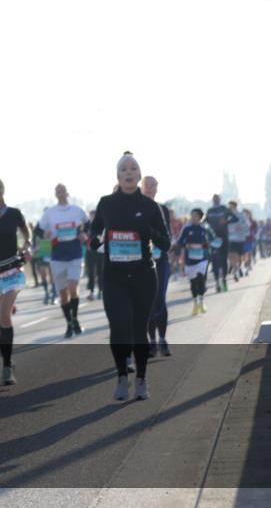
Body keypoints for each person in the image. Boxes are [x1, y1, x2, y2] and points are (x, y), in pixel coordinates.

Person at [89, 152, 171, 401]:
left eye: (133, 168)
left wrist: (149, 231)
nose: (128, 172)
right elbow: (93, 236)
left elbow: (165, 243)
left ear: (139, 175)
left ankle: (142, 379)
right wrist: (98, 243)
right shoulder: (105, 203)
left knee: (139, 329)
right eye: (123, 169)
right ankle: (122, 376)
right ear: (118, 175)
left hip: (144, 274)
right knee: (118, 327)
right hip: (114, 275)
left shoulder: (150, 207)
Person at [0, 177, 30, 385]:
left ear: (3, 190)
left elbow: (27, 235)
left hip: (11, 270)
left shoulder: (14, 214)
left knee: (3, 317)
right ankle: (6, 359)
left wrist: (27, 248)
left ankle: (7, 366)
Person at [37, 184, 88, 338]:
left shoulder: (77, 210)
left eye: (62, 190)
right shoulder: (50, 213)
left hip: (75, 253)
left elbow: (89, 224)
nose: (60, 193)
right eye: (57, 191)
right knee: (62, 293)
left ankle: (75, 318)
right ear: (55, 194)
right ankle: (69, 323)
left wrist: (84, 233)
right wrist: (44, 234)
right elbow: (38, 230)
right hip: (57, 255)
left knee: (73, 286)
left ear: (67, 193)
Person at [140, 176, 172, 357]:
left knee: (159, 299)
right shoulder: (135, 208)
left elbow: (167, 234)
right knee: (148, 301)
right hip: (142, 261)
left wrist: (155, 239)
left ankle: (163, 338)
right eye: (147, 185)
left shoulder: (162, 209)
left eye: (153, 185)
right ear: (142, 187)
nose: (150, 188)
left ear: (157, 189)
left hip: (160, 260)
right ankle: (152, 341)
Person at [177, 208, 214, 315]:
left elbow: (212, 239)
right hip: (190, 259)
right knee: (193, 283)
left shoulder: (205, 228)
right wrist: (186, 245)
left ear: (200, 217)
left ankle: (202, 302)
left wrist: (206, 245)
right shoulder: (186, 228)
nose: (193, 218)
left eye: (195, 216)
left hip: (203, 259)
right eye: (192, 215)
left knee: (200, 278)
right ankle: (195, 304)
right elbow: (180, 241)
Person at [204, 194, 238, 292]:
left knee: (223, 260)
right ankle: (217, 282)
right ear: (212, 200)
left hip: (224, 238)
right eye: (214, 199)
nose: (215, 200)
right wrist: (207, 230)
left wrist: (226, 222)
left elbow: (235, 218)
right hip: (213, 239)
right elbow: (204, 222)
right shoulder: (209, 211)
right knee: (215, 260)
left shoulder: (224, 209)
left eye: (217, 198)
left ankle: (224, 280)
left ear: (220, 199)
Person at [83, 209, 104, 301]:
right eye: (91, 215)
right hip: (90, 251)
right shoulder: (86, 225)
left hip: (100, 251)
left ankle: (100, 290)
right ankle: (91, 291)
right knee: (90, 272)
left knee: (100, 271)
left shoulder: (102, 224)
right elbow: (83, 237)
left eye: (94, 215)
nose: (92, 217)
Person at [226, 201, 247, 282]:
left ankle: (238, 268)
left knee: (239, 257)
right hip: (230, 238)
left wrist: (241, 227)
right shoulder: (227, 215)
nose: (230, 208)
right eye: (229, 206)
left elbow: (246, 225)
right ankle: (235, 271)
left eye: (231, 206)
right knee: (231, 255)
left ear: (235, 206)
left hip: (240, 238)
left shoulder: (241, 215)